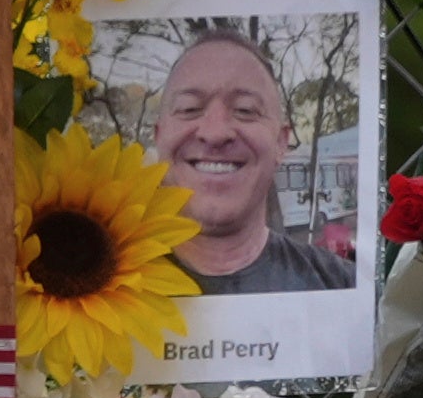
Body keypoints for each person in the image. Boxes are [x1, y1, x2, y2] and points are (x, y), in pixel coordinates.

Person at [141, 26, 360, 294]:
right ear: (158, 136)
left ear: (281, 143)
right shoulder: (96, 293)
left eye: (245, 110)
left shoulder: (345, 288)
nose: (215, 133)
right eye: (189, 109)